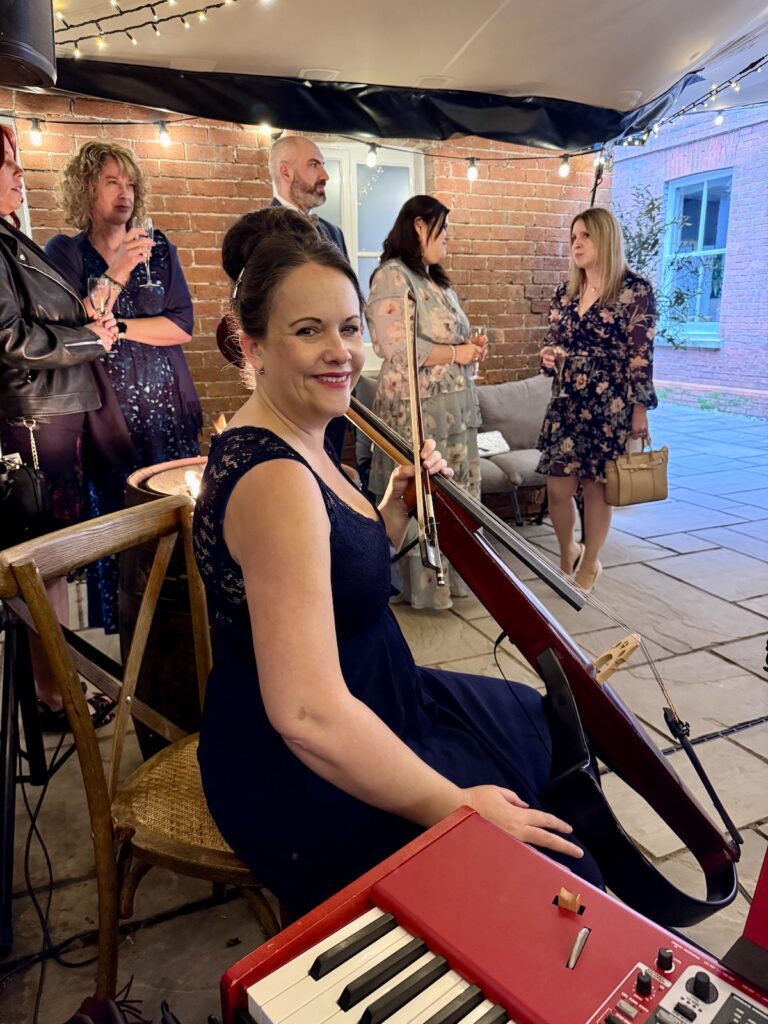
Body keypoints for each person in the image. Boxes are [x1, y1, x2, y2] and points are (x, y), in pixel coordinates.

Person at [193, 208, 601, 917]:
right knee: (544, 873)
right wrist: (456, 808)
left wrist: (390, 511)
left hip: (380, 693)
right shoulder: (276, 479)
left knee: (540, 725)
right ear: (252, 346)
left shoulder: (309, 435)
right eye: (307, 330)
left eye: (348, 328)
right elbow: (307, 716)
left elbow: (335, 578)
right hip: (304, 765)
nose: (341, 352)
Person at [45, 141, 202, 632]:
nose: (124, 192)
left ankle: (181, 628)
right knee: (116, 516)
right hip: (106, 410)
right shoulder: (64, 252)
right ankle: (129, 636)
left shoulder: (159, 247)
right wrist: (118, 273)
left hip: (165, 404)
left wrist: (122, 330)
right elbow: (79, 320)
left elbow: (181, 326)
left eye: (130, 182)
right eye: (112, 181)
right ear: (85, 188)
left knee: (172, 510)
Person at [0, 124, 119, 728]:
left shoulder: (10, 239)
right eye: (8, 165)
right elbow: (7, 338)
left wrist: (88, 312)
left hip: (49, 415)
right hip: (32, 420)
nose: (20, 175)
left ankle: (57, 688)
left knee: (54, 564)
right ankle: (54, 698)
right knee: (44, 564)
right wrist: (88, 339)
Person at [364, 195, 487, 609]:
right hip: (416, 409)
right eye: (443, 229)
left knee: (456, 492)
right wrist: (457, 354)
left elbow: (445, 339)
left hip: (452, 407)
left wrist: (468, 349)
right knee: (422, 494)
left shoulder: (435, 279)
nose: (448, 239)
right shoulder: (391, 277)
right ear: (419, 226)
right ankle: (422, 589)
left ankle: (453, 582)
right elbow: (395, 346)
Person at [536, 207, 657, 594]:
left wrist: (640, 409)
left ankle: (590, 562)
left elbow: (641, 354)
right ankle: (567, 547)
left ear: (605, 238)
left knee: (596, 487)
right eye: (573, 237)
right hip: (567, 400)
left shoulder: (634, 290)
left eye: (585, 236)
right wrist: (549, 355)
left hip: (610, 404)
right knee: (557, 486)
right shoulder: (564, 292)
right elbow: (554, 342)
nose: (577, 243)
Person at [268, 134, 350, 460]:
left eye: (323, 165)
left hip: (335, 374)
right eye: (314, 165)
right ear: (286, 172)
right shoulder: (259, 232)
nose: (325, 175)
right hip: (294, 382)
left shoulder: (334, 233)